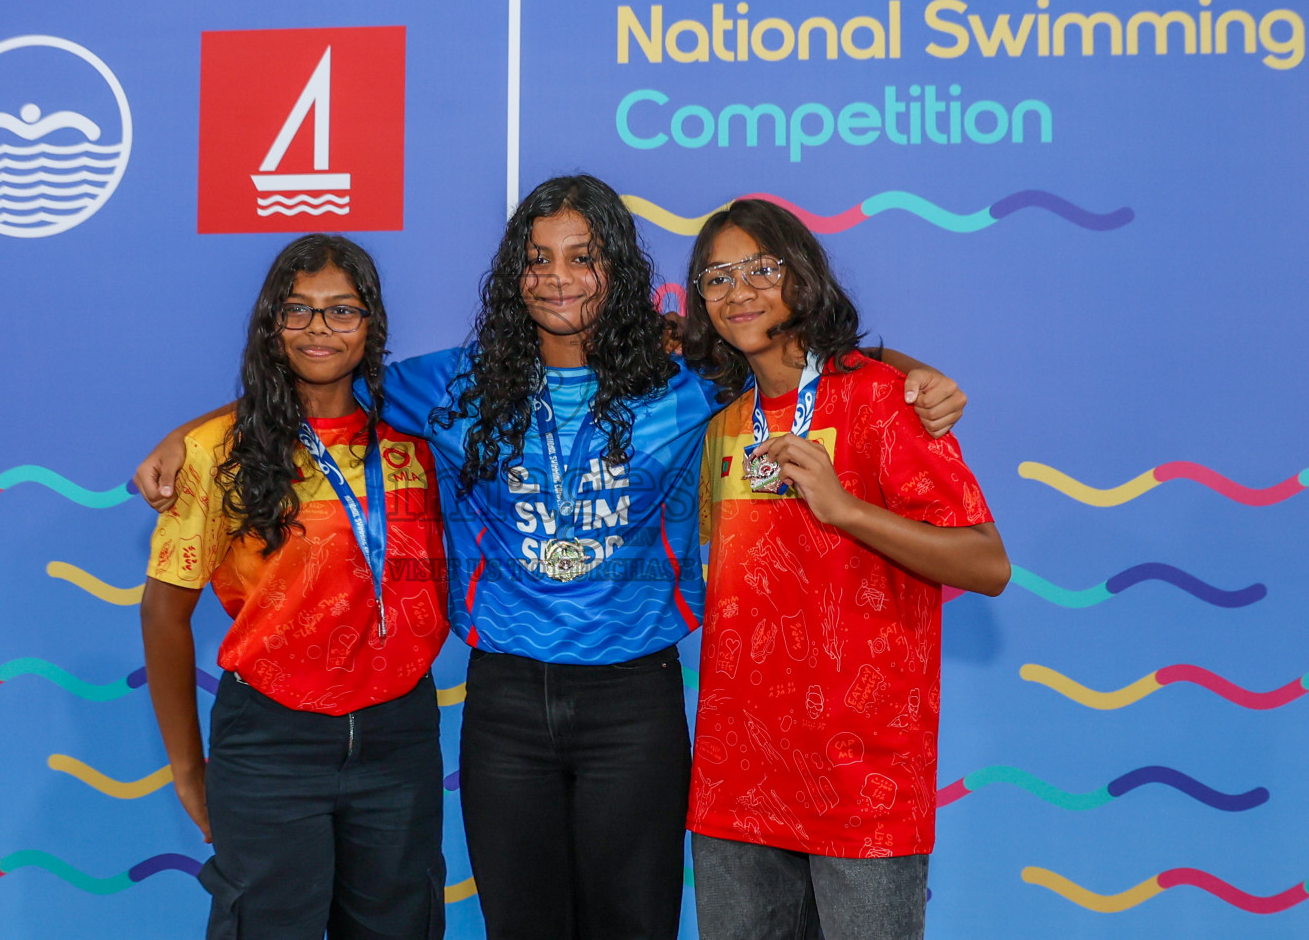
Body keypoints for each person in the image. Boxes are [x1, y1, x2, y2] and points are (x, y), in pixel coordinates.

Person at [136, 175, 967, 940]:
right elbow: (323, 378)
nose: (557, 276)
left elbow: (802, 357)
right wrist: (189, 434)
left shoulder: (687, 381)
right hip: (504, 708)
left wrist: (913, 370)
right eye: (537, 259)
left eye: (581, 257)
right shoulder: (455, 386)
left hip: (634, 705)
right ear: (512, 275)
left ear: (617, 272)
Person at [679, 198, 1011, 940]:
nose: (740, 292)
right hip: (738, 779)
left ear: (802, 276)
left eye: (762, 268)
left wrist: (846, 508)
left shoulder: (885, 399)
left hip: (863, 784)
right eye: (717, 276)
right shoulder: (720, 418)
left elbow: (988, 564)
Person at [139, 234, 449, 940]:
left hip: (397, 737)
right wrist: (189, 770)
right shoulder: (219, 452)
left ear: (372, 323)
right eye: (298, 311)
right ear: (270, 324)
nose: (319, 329)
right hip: (269, 743)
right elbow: (163, 616)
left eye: (342, 310)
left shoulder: (419, 439)